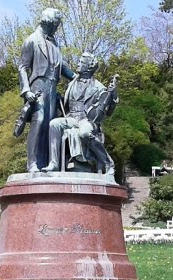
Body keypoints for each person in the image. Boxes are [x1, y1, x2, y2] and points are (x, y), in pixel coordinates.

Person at [17, 8, 75, 172]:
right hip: (38, 87)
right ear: (49, 23)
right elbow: (22, 67)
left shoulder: (54, 43)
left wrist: (77, 77)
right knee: (39, 120)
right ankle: (32, 163)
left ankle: (50, 163)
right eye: (56, 25)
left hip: (52, 87)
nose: (57, 28)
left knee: (51, 125)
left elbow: (62, 66)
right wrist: (26, 90)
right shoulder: (31, 40)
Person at [45, 52, 118, 174]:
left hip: (87, 120)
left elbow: (108, 112)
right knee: (54, 124)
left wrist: (113, 96)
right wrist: (59, 100)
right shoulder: (71, 84)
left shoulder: (99, 87)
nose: (78, 64)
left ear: (89, 66)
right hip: (71, 117)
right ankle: (54, 163)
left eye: (81, 62)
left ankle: (107, 162)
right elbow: (68, 104)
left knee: (84, 133)